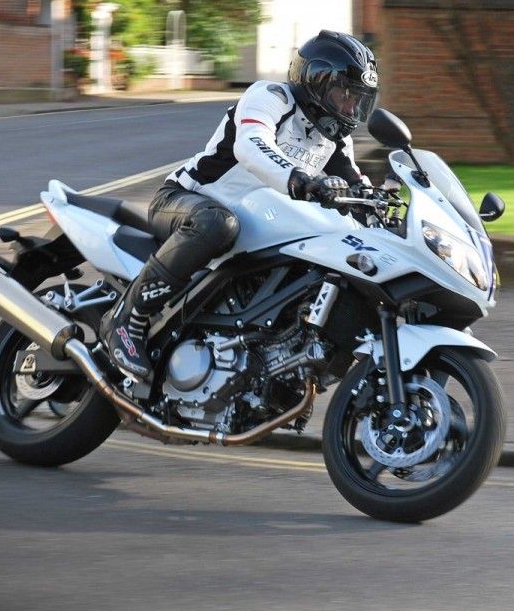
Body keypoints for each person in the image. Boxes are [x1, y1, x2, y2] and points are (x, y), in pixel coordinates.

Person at [102, 30, 381, 381]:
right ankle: (126, 320)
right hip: (188, 202)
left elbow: (356, 183)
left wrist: (380, 205)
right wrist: (301, 180)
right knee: (218, 224)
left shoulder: (333, 140)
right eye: (345, 95)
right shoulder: (271, 97)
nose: (351, 108)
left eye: (358, 100)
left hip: (254, 226)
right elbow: (251, 145)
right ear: (318, 80)